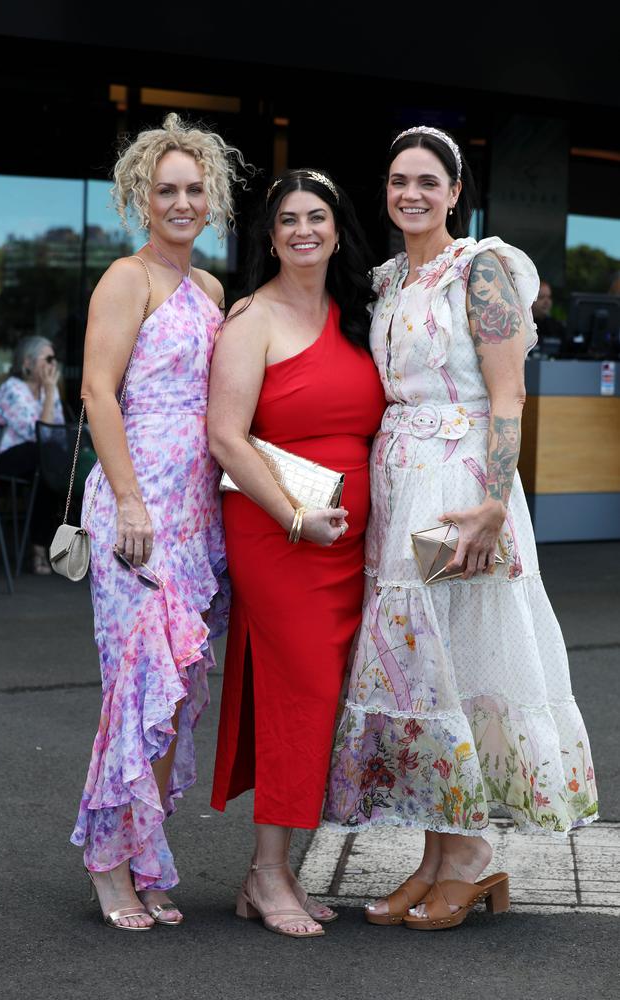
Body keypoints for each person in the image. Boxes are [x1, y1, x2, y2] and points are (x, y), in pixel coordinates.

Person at [323, 127, 598, 930]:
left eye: (427, 181)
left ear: (454, 192)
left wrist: (491, 501)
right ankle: (436, 856)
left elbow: (509, 394)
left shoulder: (483, 270)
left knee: (466, 655)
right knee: (422, 669)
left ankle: (472, 859)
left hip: (463, 484)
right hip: (402, 479)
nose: (411, 193)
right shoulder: (390, 279)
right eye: (398, 180)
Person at [70, 113, 246, 930]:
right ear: (142, 198)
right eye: (165, 189)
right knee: (134, 686)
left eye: (193, 189)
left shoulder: (211, 291)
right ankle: (108, 863)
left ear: (210, 199)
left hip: (195, 522)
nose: (181, 201)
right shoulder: (125, 278)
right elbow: (97, 393)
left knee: (173, 698)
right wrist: (132, 500)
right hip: (135, 516)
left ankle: (147, 854)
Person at [208, 168, 386, 937]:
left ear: (339, 230)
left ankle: (270, 872)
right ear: (271, 236)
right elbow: (225, 434)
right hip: (278, 532)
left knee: (325, 695)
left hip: (346, 542)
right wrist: (291, 518)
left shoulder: (356, 318)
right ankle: (267, 872)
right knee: (301, 688)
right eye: (288, 220)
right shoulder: (252, 317)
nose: (303, 230)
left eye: (318, 216)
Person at [0, 336, 64, 574]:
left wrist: (49, 394)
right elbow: (40, 434)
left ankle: (51, 544)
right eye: (47, 359)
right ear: (27, 362)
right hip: (3, 460)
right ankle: (41, 548)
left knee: (54, 464)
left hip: (37, 461)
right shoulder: (12, 390)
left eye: (54, 359)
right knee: (48, 459)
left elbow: (57, 432)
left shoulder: (47, 390)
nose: (53, 364)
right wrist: (50, 394)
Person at [531, 280, 565, 353]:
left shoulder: (557, 326)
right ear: (530, 300)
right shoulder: (524, 325)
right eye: (541, 297)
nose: (547, 301)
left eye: (549, 297)